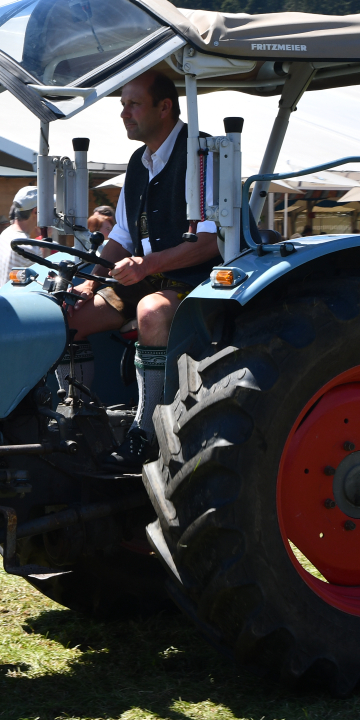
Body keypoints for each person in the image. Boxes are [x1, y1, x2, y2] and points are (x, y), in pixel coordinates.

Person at [66, 70, 222, 468]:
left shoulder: (201, 155)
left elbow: (210, 242)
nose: (124, 114)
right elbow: (121, 235)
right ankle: (79, 423)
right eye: (123, 105)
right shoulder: (139, 162)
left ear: (164, 107)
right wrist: (88, 281)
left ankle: (145, 432)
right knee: (69, 316)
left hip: (200, 277)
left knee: (151, 312)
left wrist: (146, 264)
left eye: (133, 104)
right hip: (147, 274)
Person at [0, 186, 40, 284]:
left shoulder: (6, 233)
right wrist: (48, 237)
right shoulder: (28, 247)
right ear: (35, 211)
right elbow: (45, 279)